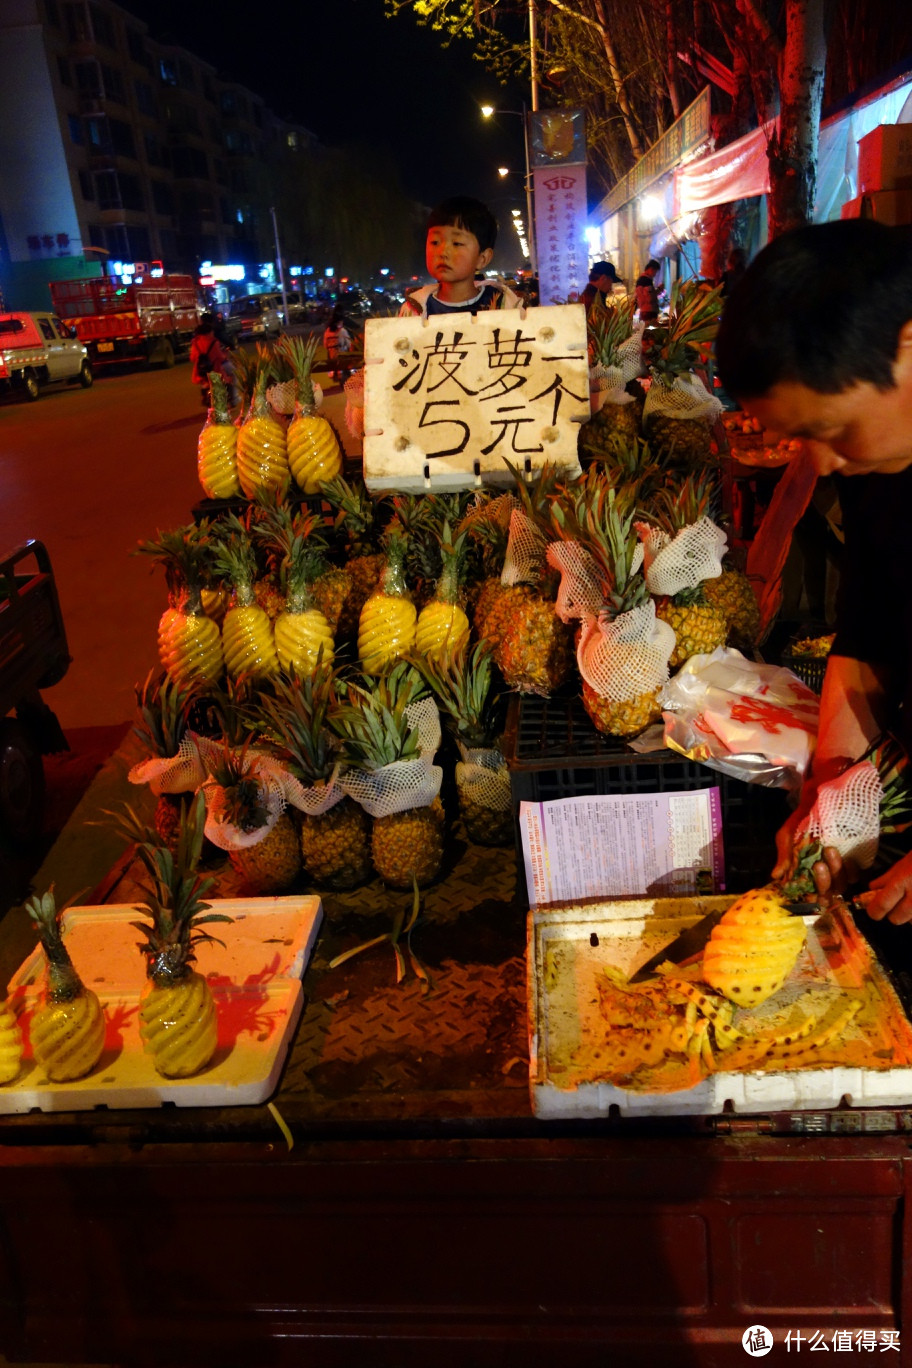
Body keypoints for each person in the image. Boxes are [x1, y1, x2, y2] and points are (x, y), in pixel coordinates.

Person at [716, 218, 912, 925]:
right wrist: (829, 796)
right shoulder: (879, 464)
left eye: (832, 430)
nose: (821, 463)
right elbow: (867, 634)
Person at [400, 196, 522, 317]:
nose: (443, 252)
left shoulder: (505, 305)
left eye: (457, 243)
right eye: (435, 242)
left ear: (483, 258)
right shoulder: (414, 310)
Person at [189, 315, 230, 408]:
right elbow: (220, 356)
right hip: (215, 370)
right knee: (227, 378)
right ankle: (229, 401)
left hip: (201, 371)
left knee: (204, 384)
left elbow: (192, 358)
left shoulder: (195, 342)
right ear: (209, 332)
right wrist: (225, 356)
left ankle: (204, 396)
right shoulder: (214, 342)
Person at [323, 310, 353, 383]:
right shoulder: (342, 331)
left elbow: (325, 345)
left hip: (332, 356)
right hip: (342, 355)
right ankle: (349, 373)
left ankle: (335, 373)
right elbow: (349, 344)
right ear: (339, 322)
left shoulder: (327, 331)